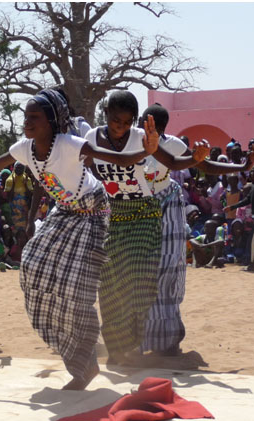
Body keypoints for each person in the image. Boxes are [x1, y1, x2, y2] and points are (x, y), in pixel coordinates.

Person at [0, 89, 158, 389]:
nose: (27, 121)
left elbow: (117, 158)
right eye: (26, 116)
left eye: (34, 117)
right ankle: (76, 349)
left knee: (74, 287)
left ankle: (84, 366)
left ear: (50, 120)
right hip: (65, 210)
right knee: (33, 264)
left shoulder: (71, 144)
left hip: (93, 211)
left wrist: (146, 152)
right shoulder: (25, 148)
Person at [85, 92, 209, 365]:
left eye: (127, 122)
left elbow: (174, 163)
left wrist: (196, 159)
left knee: (140, 282)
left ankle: (135, 346)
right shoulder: (92, 138)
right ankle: (116, 348)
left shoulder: (142, 136)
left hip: (143, 213)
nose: (120, 127)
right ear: (106, 114)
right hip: (111, 214)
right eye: (116, 120)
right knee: (110, 285)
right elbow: (84, 169)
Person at [138, 103, 254, 356]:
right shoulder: (130, 142)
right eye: (139, 123)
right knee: (141, 274)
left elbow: (206, 166)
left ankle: (168, 339)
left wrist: (241, 168)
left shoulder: (175, 146)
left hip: (167, 208)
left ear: (158, 128)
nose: (139, 128)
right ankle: (141, 338)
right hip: (135, 210)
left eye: (144, 123)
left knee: (168, 272)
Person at [225, 162, 254, 272]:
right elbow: (246, 200)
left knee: (253, 239)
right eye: (251, 171)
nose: (251, 173)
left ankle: (252, 264)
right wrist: (232, 207)